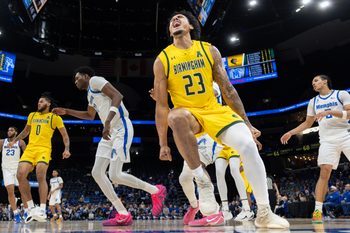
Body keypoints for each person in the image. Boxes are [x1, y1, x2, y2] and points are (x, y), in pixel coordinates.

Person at [153, 10, 289, 228]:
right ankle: (203, 181)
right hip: (189, 115)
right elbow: (161, 106)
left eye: (180, 18)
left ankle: (264, 211)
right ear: (170, 31)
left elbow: (227, 88)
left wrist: (247, 123)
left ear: (190, 26)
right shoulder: (163, 59)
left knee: (247, 146)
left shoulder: (209, 50)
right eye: (171, 21)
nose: (175, 20)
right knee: (175, 115)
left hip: (215, 111)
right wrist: (162, 143)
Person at [52, 66, 166, 226]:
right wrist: (66, 111)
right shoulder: (89, 94)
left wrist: (106, 121)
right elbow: (89, 116)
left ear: (86, 76)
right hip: (109, 132)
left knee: (114, 174)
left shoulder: (95, 80)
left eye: (78, 78)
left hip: (120, 127)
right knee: (97, 172)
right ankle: (122, 213)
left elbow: (117, 96)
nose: (76, 81)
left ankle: (156, 190)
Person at [281, 74, 350, 224]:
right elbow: (307, 123)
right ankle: (317, 210)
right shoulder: (313, 101)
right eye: (312, 82)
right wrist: (291, 132)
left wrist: (329, 112)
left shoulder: (341, 94)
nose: (314, 83)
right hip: (326, 139)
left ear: (325, 81)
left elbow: (349, 113)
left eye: (316, 80)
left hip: (345, 134)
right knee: (324, 170)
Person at [9, 92, 71, 223]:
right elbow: (26, 131)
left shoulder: (54, 117)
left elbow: (64, 135)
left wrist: (66, 149)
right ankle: (31, 208)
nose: (39, 103)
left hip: (44, 149)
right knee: (20, 175)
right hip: (30, 149)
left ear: (48, 104)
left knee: (40, 174)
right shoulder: (32, 115)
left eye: (42, 101)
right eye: (38, 101)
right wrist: (15, 140)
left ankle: (42, 209)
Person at [0, 126, 27, 223]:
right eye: (8, 130)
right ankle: (16, 214)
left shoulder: (21, 142)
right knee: (10, 192)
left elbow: (27, 154)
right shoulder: (2, 142)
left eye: (11, 130)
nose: (9, 131)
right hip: (6, 169)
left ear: (16, 132)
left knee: (23, 191)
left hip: (17, 168)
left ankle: (27, 211)